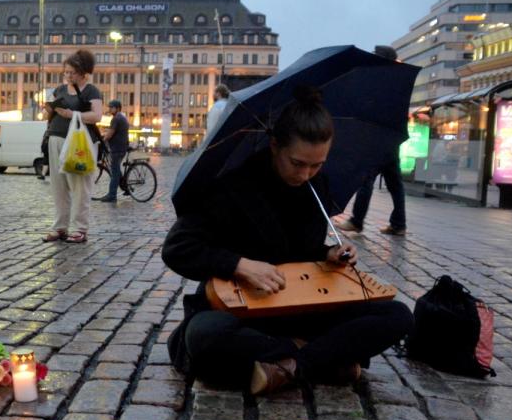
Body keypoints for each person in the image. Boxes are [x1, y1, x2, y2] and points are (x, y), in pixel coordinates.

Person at [162, 86, 413, 395]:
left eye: (317, 165)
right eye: (297, 163)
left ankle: (293, 365)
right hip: (245, 314)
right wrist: (240, 265)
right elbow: (177, 249)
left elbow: (301, 251)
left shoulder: (316, 186)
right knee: (204, 334)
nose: (306, 174)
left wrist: (329, 254)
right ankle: (325, 358)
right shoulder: (232, 185)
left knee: (397, 315)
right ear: (275, 146)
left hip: (302, 310)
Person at [336, 45, 407, 236]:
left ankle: (357, 221)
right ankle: (399, 224)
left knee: (366, 179)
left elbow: (372, 109)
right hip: (391, 140)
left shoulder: (381, 81)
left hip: (377, 140)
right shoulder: (397, 81)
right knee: (395, 184)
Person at [43, 49, 104, 244]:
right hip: (56, 137)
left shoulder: (91, 91)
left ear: (84, 73)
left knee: (80, 186)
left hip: (79, 141)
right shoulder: (60, 89)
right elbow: (49, 115)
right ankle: (60, 227)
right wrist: (49, 110)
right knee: (58, 186)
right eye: (66, 72)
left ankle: (80, 228)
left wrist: (72, 115)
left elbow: (97, 116)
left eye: (72, 73)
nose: (68, 76)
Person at [94, 99, 129, 203]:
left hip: (117, 148)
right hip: (121, 147)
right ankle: (126, 188)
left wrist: (102, 141)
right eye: (109, 107)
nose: (109, 109)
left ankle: (112, 195)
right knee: (116, 169)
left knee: (114, 173)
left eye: (111, 107)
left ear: (117, 108)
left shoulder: (116, 119)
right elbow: (111, 132)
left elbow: (109, 134)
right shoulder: (122, 117)